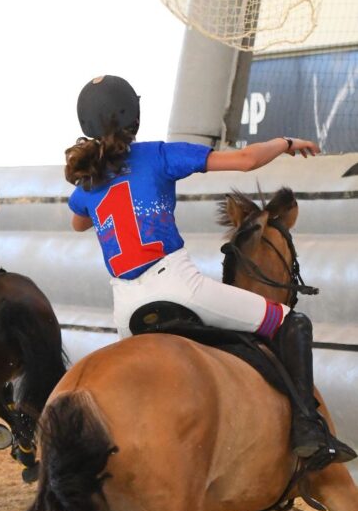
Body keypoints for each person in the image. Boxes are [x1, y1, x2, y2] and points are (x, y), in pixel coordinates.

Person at [65, 74, 355, 468]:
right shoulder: (159, 155)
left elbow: (78, 224)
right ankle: (309, 430)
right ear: (134, 116)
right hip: (179, 286)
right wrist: (286, 143)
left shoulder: (87, 183)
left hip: (126, 310)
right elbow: (245, 160)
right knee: (291, 322)